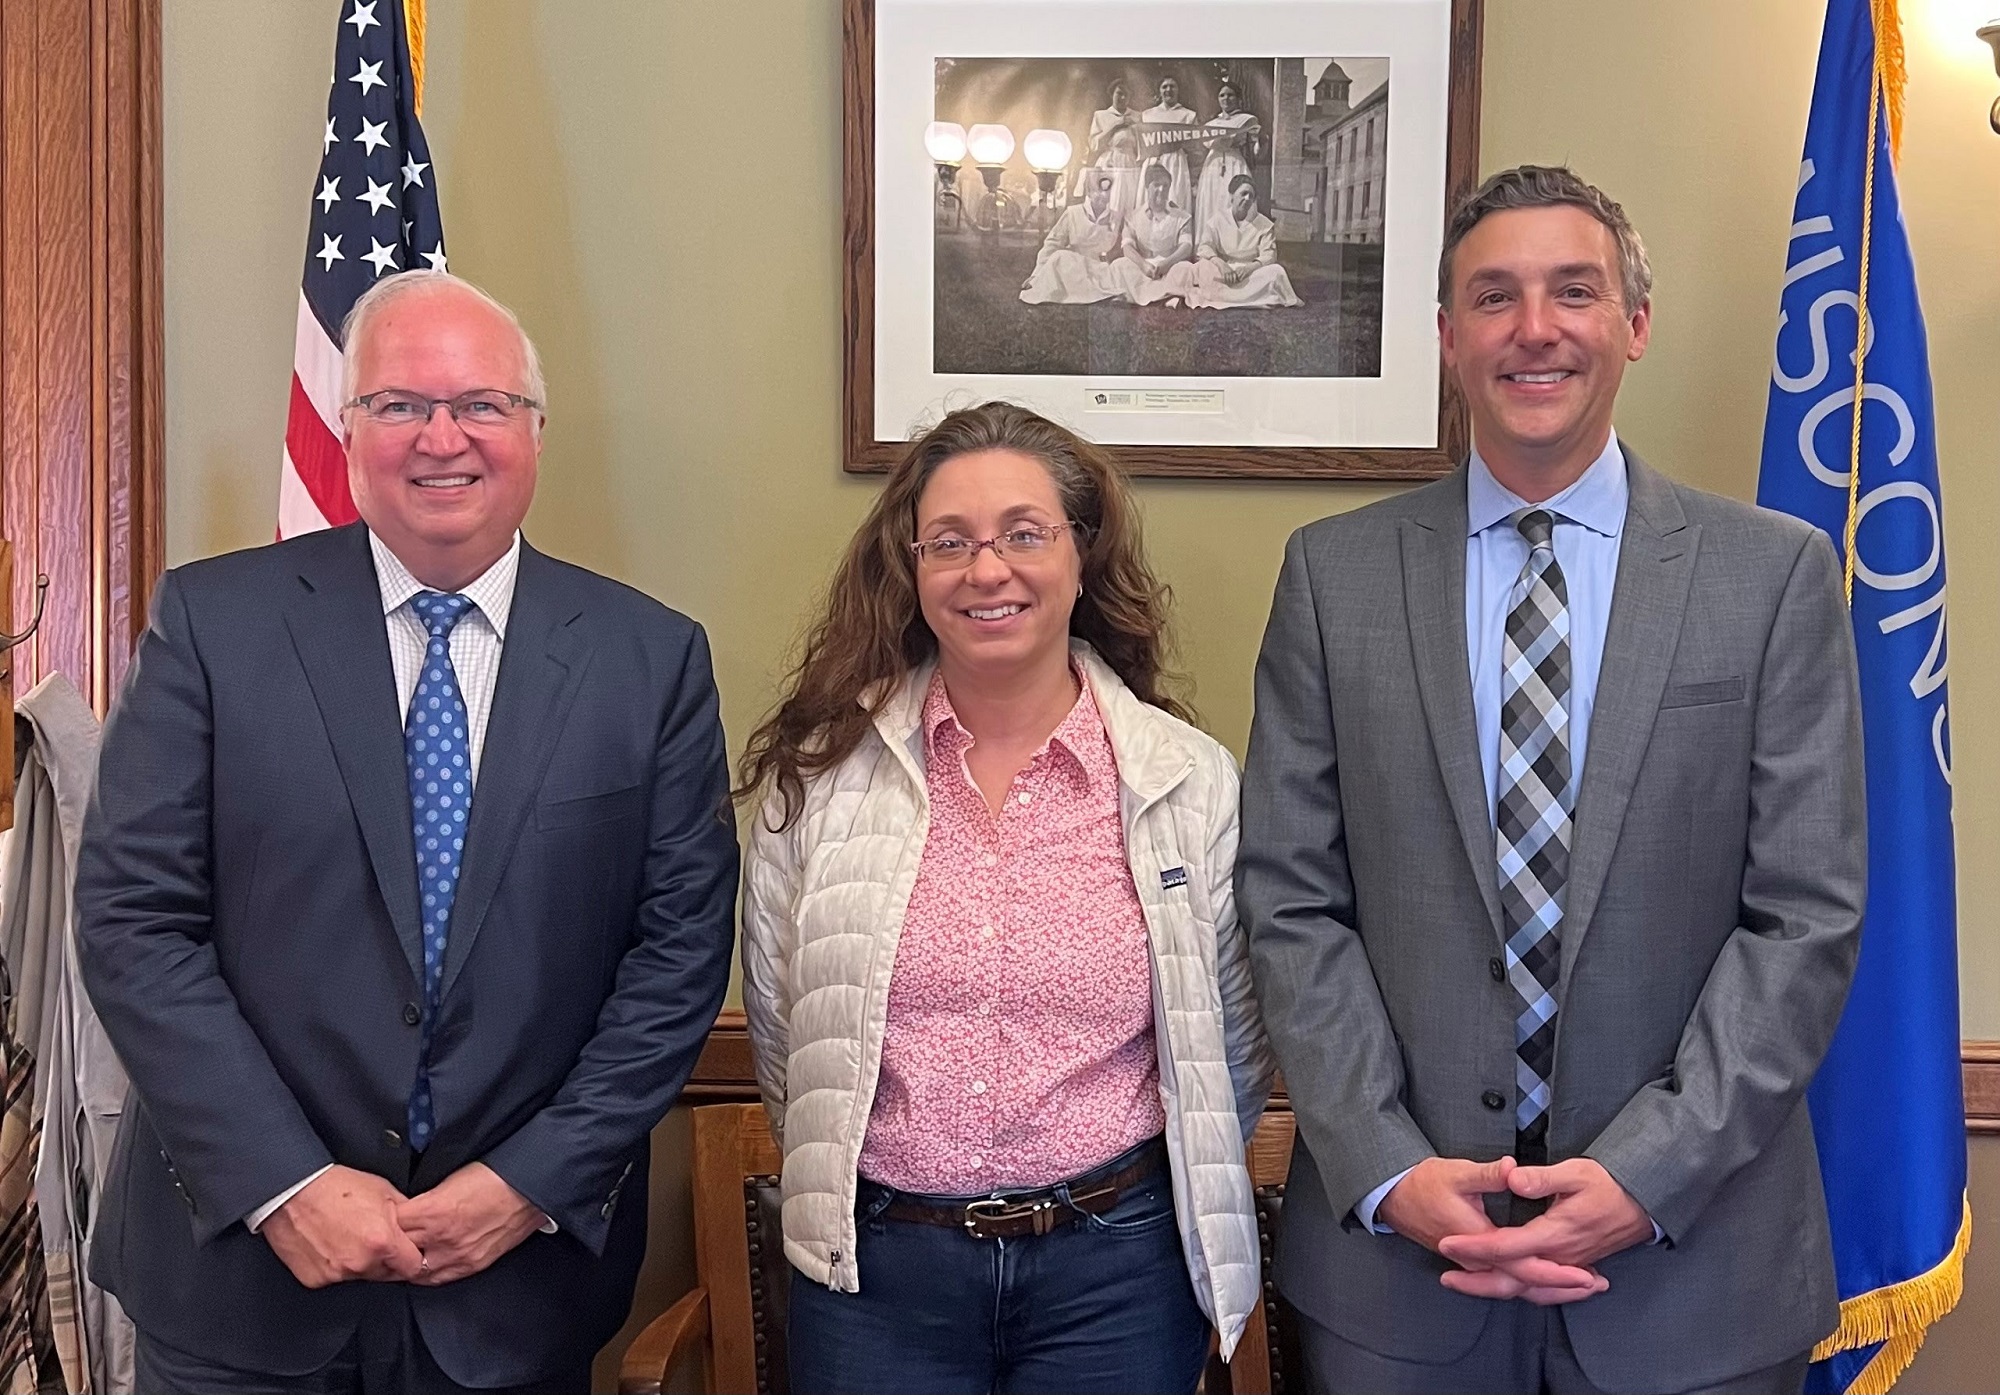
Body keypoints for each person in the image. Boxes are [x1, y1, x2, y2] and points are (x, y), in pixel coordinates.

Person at [1237, 164, 1865, 1395]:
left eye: (1571, 292)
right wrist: (1382, 1165)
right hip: (1395, 1280)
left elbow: (1806, 915)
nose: (1533, 329)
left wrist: (1647, 1172)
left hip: (1696, 1273)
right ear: (1444, 338)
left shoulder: (1772, 575)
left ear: (1631, 323)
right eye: (1492, 297)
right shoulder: (1331, 577)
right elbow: (1287, 899)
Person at [75, 271, 739, 1394]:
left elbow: (674, 960)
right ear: (346, 431)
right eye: (399, 406)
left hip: (514, 1292)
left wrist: (527, 1185)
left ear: (533, 430)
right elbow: (135, 923)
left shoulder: (650, 660)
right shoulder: (212, 624)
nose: (443, 438)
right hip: (242, 1285)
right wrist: (284, 1181)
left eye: (481, 404)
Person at [738, 401, 1274, 1395]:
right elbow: (784, 1034)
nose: (987, 571)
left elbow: (1228, 1049)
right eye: (949, 542)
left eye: (1023, 535)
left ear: (1080, 555)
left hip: (1115, 1273)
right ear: (911, 570)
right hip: (876, 1276)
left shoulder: (1185, 781)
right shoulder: (819, 782)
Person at [1190, 176, 1302, 309]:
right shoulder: (1217, 221)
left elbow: (1269, 255)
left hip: (1251, 273)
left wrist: (1250, 268)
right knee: (1203, 267)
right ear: (1232, 197)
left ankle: (1222, 297)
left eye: (1251, 196)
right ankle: (1251, 298)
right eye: (1243, 194)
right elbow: (1205, 247)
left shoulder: (1264, 225)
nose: (1248, 198)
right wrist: (1221, 264)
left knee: (1276, 271)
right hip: (1224, 273)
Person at [1020, 170, 1125, 305]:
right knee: (1060, 257)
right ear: (1088, 192)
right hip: (1072, 270)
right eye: (1097, 190)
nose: (1103, 195)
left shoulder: (1116, 218)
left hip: (1100, 271)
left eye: (1107, 191)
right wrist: (1037, 274)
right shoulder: (1073, 213)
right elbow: (1052, 245)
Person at [1113, 163, 1196, 306]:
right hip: (1143, 268)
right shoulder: (1132, 217)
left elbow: (1186, 247)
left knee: (1186, 268)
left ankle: (1169, 297)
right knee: (1119, 264)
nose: (1161, 190)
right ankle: (1153, 297)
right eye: (1156, 185)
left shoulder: (1182, 217)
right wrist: (1143, 265)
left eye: (1166, 186)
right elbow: (1127, 248)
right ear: (1147, 187)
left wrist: (1166, 263)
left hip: (1169, 268)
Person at [1192, 82, 1259, 241]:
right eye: (1222, 95)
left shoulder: (1246, 120)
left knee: (1232, 200)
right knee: (1212, 201)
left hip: (1234, 162)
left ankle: (1234, 243)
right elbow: (1207, 143)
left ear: (1238, 98)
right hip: (1213, 164)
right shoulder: (1211, 124)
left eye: (1230, 95)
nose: (1226, 99)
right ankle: (1208, 243)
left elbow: (1250, 140)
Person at [1074, 78, 1141, 220]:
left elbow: (1142, 143)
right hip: (1108, 162)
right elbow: (1094, 144)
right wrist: (1116, 125)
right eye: (1119, 93)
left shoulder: (1137, 117)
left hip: (1129, 162)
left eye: (1126, 95)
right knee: (1107, 200)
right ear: (1112, 95)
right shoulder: (1101, 115)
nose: (1122, 98)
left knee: (1130, 202)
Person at [1138, 74, 1198, 217]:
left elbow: (1195, 146)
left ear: (1178, 90)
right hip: (1154, 160)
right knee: (1150, 198)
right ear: (1159, 91)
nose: (1168, 90)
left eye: (1172, 86)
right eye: (1164, 86)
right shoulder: (1148, 115)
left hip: (1176, 162)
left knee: (1175, 196)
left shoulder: (1188, 115)